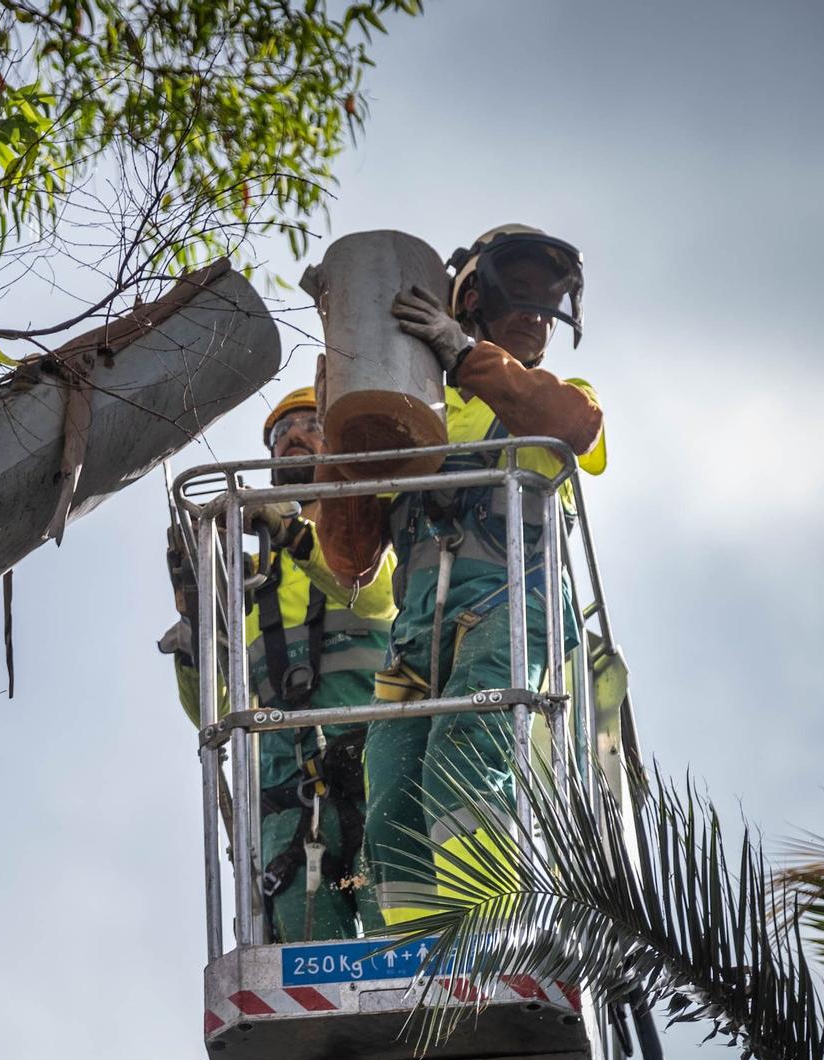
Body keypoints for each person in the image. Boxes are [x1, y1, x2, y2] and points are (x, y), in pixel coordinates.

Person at [336, 225, 607, 926]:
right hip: (419, 642)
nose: (537, 314)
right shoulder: (416, 415)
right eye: (519, 292)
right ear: (474, 295)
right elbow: (350, 558)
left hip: (513, 606)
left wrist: (463, 355)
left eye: (549, 303)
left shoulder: (555, 393)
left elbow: (572, 425)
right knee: (393, 794)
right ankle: (421, 960)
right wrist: (349, 424)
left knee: (465, 756)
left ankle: (488, 930)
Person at [162, 388, 398, 941]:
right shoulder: (247, 586)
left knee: (404, 950)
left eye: (310, 424)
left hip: (375, 779)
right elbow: (218, 715)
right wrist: (197, 639)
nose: (291, 435)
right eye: (278, 432)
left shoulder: (367, 539)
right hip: (288, 804)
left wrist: (292, 535)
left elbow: (378, 595)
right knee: (306, 950)